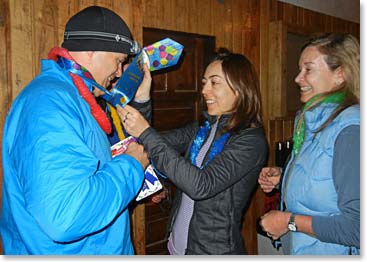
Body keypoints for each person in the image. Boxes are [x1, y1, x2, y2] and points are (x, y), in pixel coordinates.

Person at [0, 6, 152, 255]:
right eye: (119, 61)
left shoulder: (70, 97)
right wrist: (131, 165)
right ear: (92, 50)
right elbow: (65, 216)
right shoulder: (49, 103)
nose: (119, 72)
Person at [116, 48, 268, 254]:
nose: (204, 90)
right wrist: (142, 98)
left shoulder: (251, 141)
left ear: (240, 88)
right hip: (177, 245)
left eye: (214, 82)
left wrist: (144, 131)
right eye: (205, 82)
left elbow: (201, 185)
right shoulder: (203, 128)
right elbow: (153, 143)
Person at [258, 33, 360, 255]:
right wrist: (284, 177)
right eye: (299, 69)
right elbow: (326, 180)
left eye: (308, 69)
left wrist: (289, 222)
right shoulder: (311, 119)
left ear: (340, 74)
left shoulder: (351, 131)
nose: (297, 78)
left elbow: (358, 229)